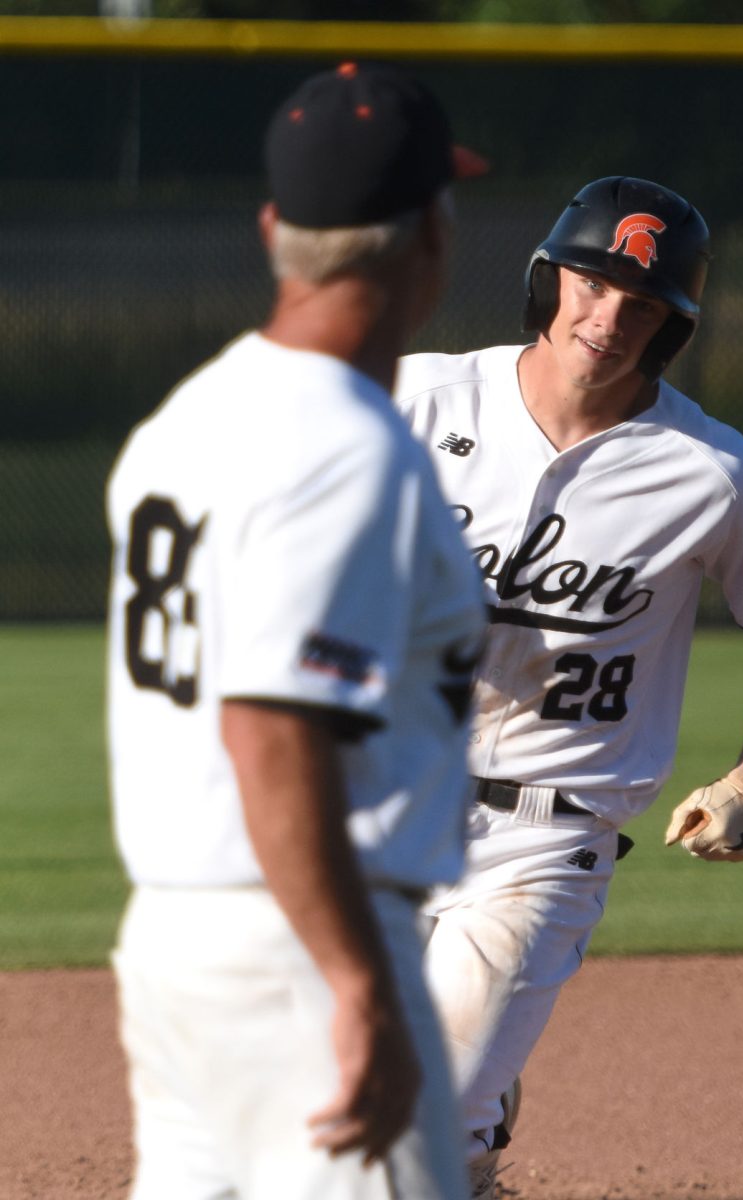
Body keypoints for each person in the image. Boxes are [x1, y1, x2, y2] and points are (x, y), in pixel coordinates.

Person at [394, 176, 743, 1198]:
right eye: (592, 284)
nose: (609, 317)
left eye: (644, 304)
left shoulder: (707, 471)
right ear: (548, 281)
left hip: (545, 836)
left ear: (672, 326)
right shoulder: (417, 398)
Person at [105, 61, 489, 1200]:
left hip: (174, 938)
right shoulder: (342, 446)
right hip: (300, 939)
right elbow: (272, 728)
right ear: (432, 228)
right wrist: (358, 983)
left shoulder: (190, 415)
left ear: (277, 226)